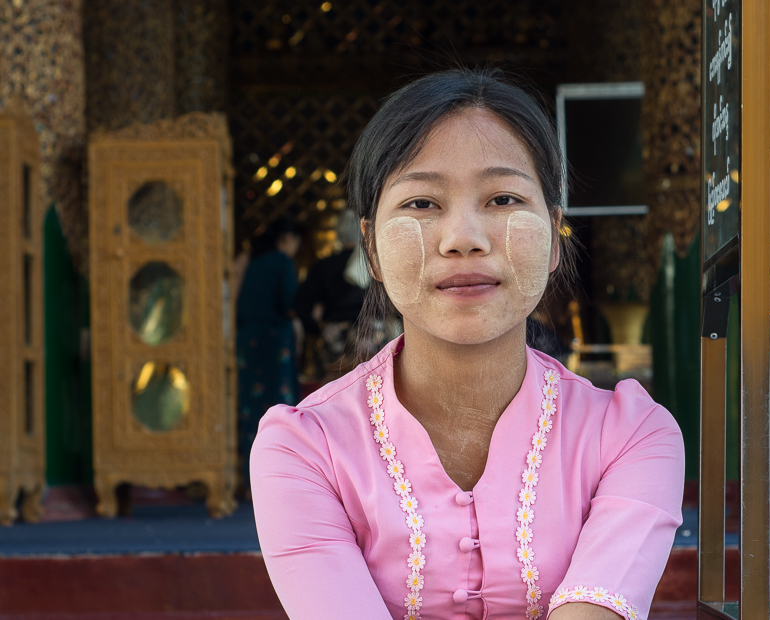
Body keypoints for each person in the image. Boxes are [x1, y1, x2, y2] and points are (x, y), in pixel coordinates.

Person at [251, 69, 684, 620]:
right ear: (373, 251)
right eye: (422, 204)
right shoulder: (304, 450)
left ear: (553, 235)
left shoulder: (631, 437)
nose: (464, 239)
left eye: (502, 198)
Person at [236, 217, 302, 493]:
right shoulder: (281, 262)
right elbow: (289, 303)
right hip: (274, 341)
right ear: (288, 238)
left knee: (250, 406)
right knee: (279, 409)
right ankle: (276, 483)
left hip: (249, 340)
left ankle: (248, 480)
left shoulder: (252, 261)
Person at [294, 210, 370, 373]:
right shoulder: (372, 264)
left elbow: (301, 304)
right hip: (370, 337)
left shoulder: (324, 266)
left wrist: (318, 329)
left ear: (338, 233)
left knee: (336, 388)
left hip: (334, 339)